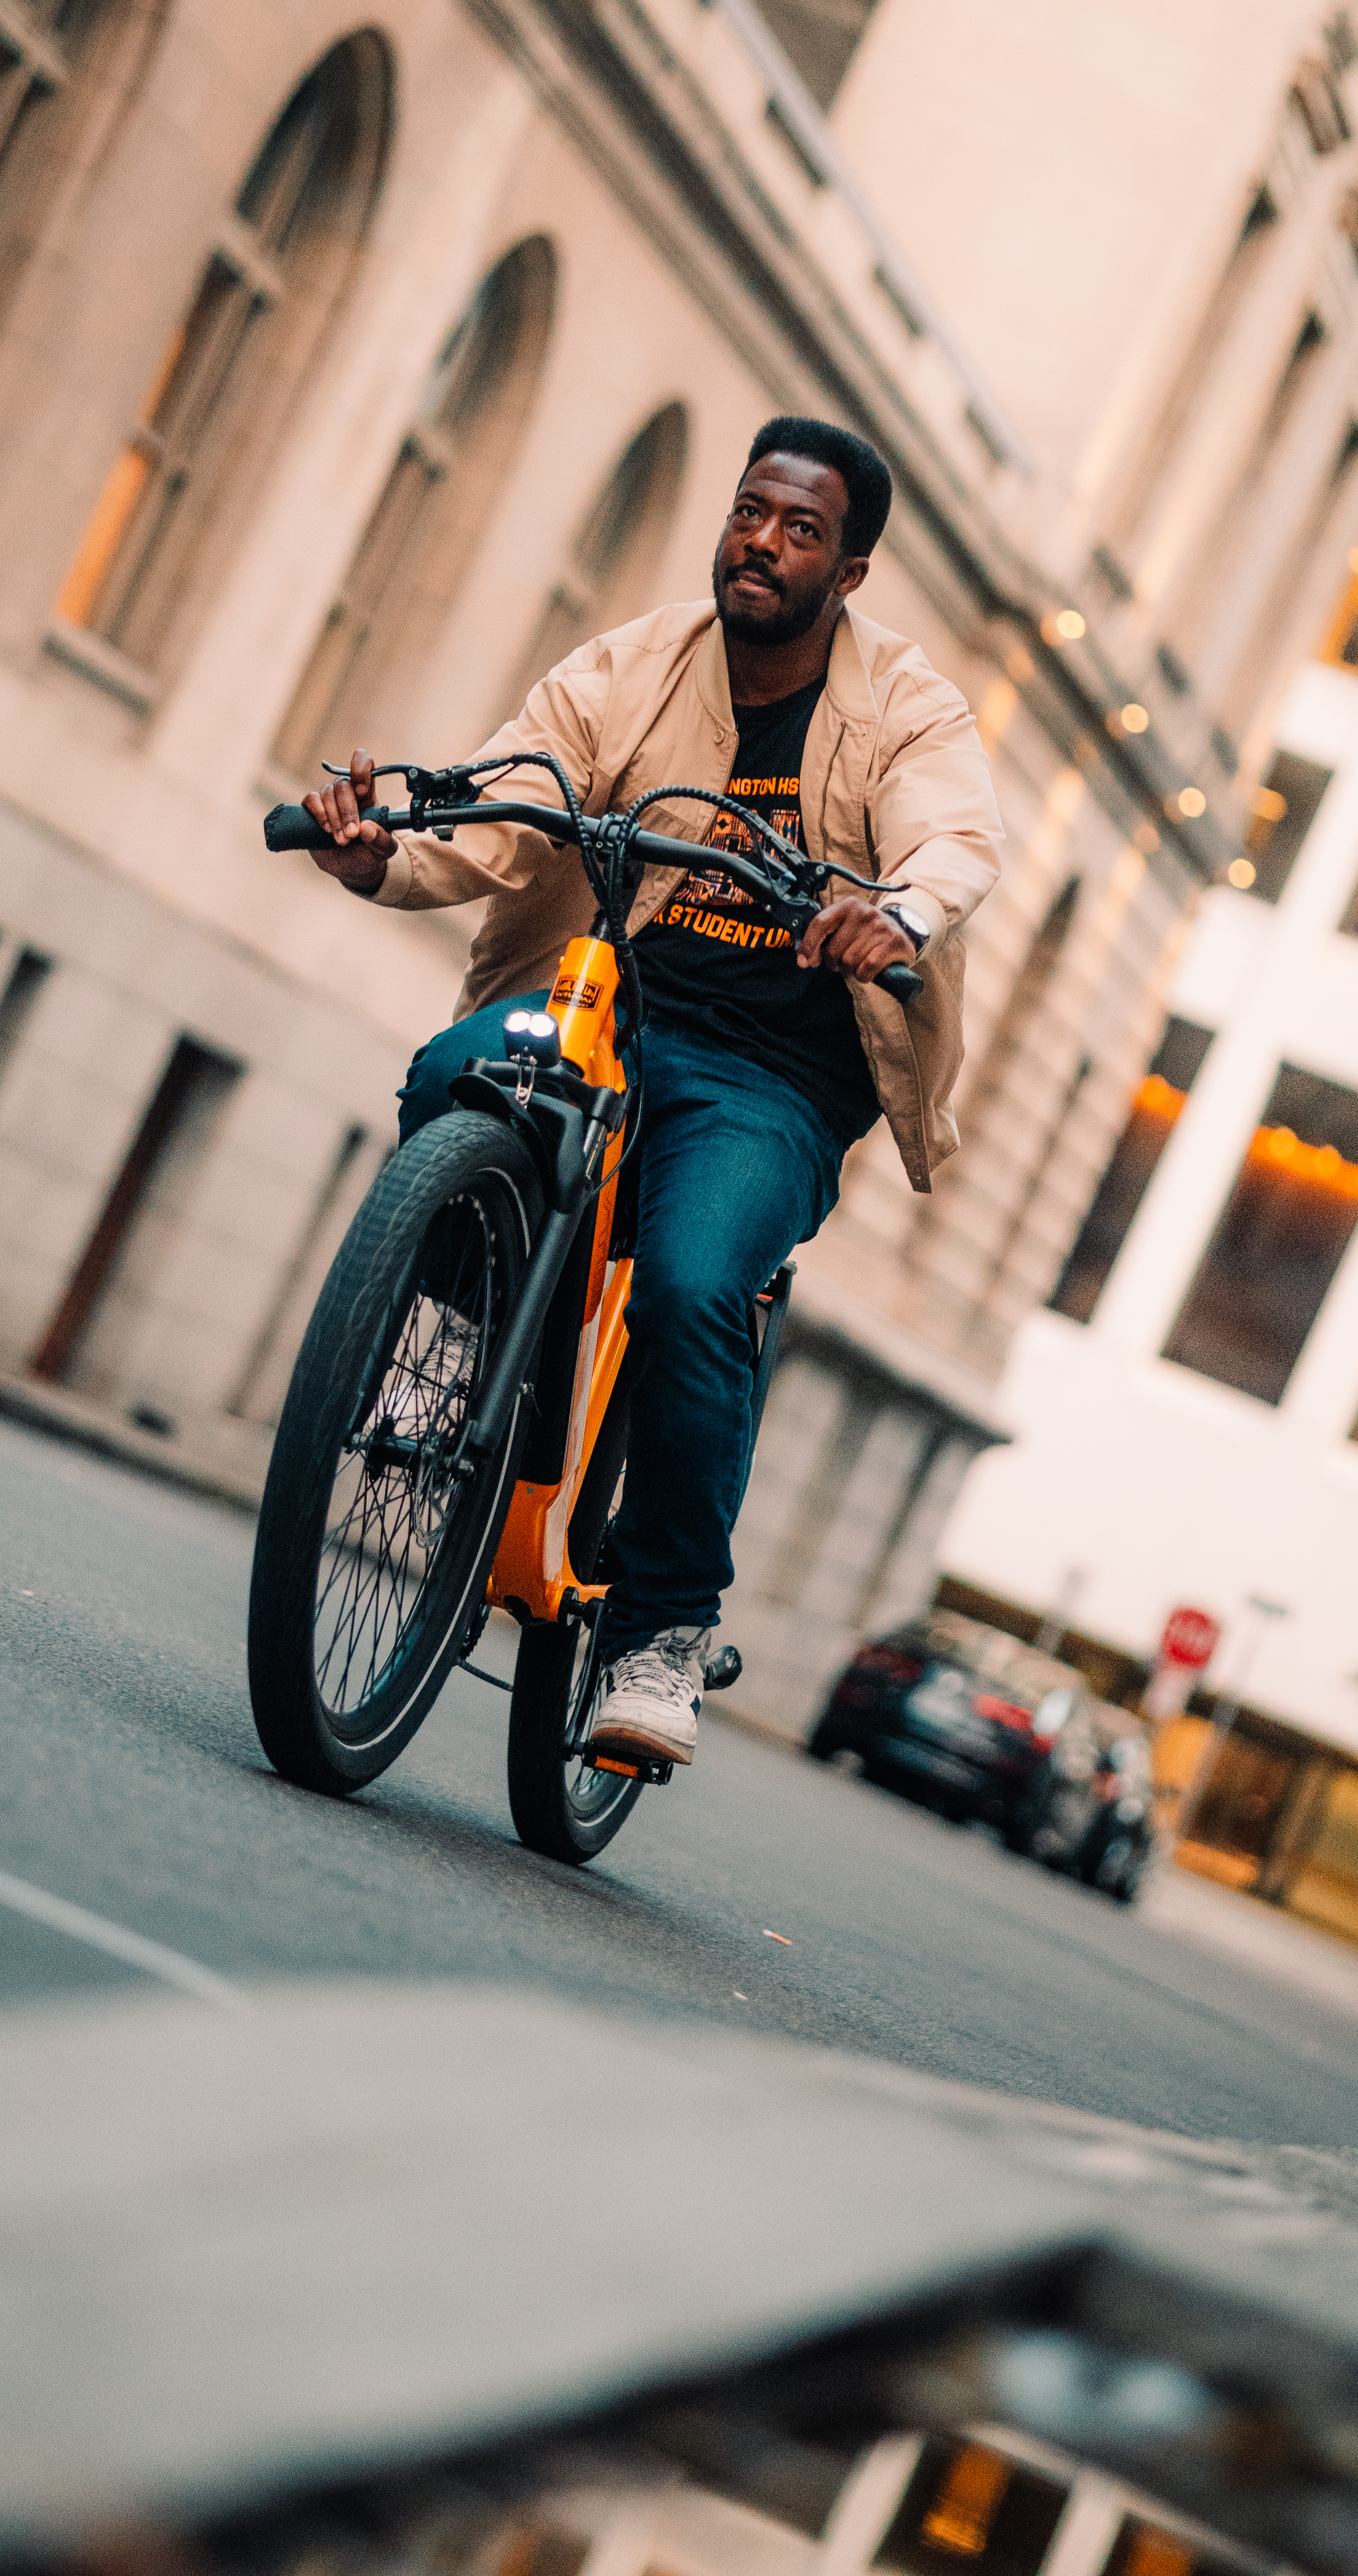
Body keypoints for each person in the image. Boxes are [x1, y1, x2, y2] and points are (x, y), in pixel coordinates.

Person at [300, 416, 1004, 1771]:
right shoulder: (636, 661)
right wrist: (383, 849)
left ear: (846, 574)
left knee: (691, 1282)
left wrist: (894, 910)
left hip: (772, 1075)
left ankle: (664, 1631)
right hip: (607, 1005)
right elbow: (511, 797)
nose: (763, 541)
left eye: (802, 530)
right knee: (457, 1073)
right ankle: (455, 1349)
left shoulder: (906, 704)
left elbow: (950, 832)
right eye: (752, 510)